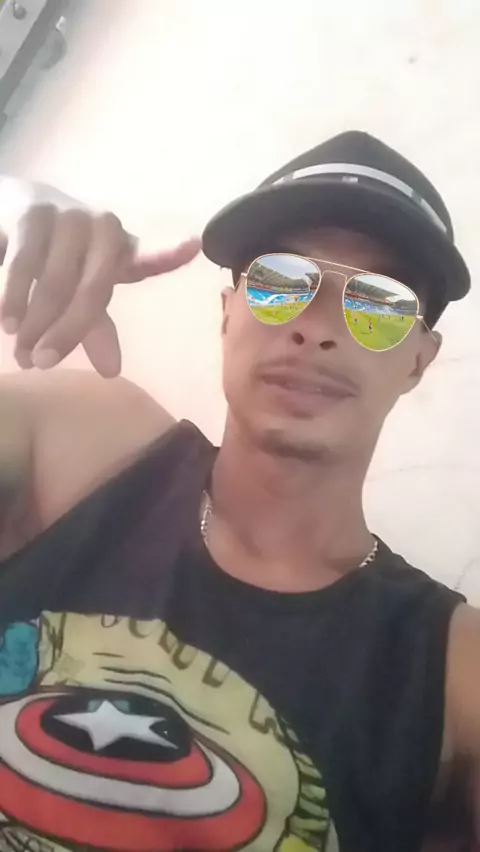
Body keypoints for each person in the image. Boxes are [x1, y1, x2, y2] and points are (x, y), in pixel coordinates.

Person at [0, 131, 478, 852]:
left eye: (379, 302)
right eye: (281, 281)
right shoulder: (78, 444)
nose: (316, 330)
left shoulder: (453, 670)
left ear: (418, 359)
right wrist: (11, 205)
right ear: (228, 313)